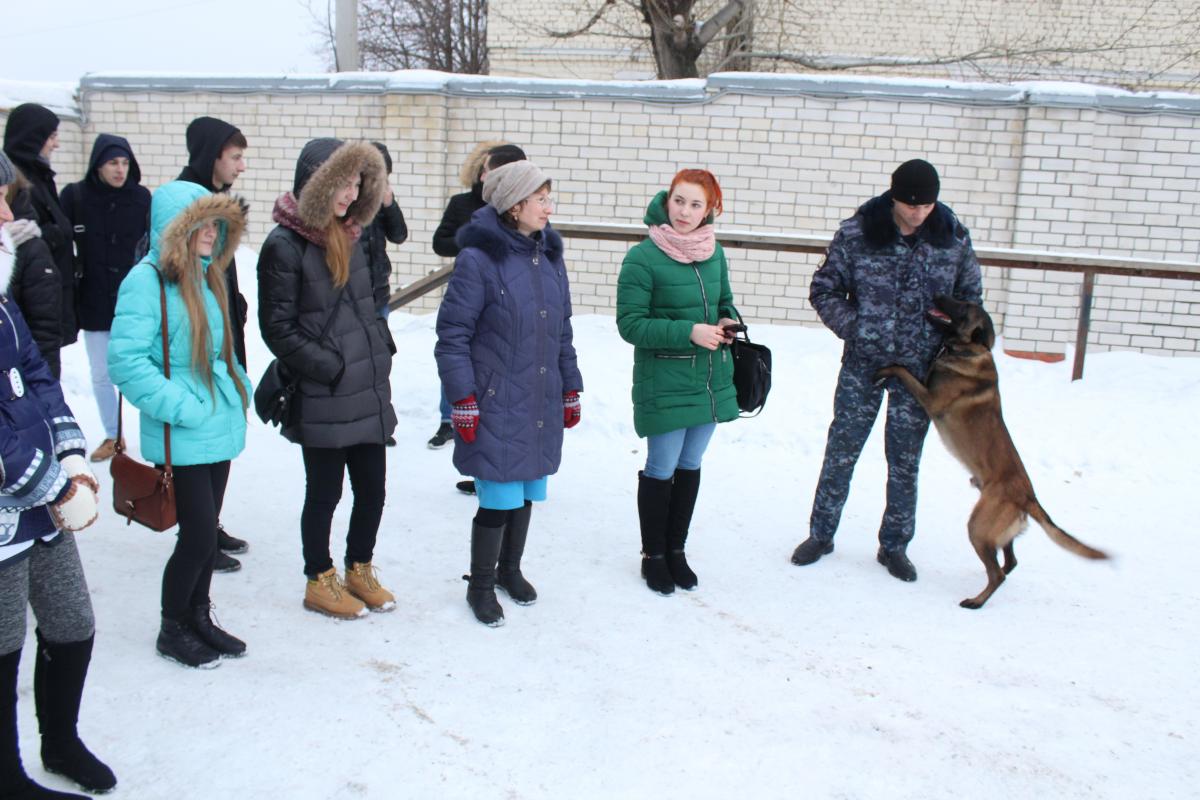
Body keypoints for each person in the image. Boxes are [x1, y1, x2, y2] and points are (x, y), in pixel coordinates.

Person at [791, 159, 983, 582]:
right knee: (842, 449)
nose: (917, 213)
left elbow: (970, 302)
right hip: (865, 363)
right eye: (909, 205)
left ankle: (894, 546)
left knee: (904, 459)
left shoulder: (952, 238)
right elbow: (824, 289)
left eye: (926, 205)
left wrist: (949, 343)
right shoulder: (858, 233)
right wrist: (856, 328)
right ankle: (820, 535)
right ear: (893, 196)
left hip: (919, 371)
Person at [0, 152, 116, 798]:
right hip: (10, 511)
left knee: (73, 625)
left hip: (42, 503)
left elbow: (38, 381)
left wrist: (71, 456)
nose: (8, 213)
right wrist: (55, 484)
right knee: (2, 645)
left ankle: (61, 740)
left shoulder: (2, 299)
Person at [108, 181, 252, 668]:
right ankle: (173, 627)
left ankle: (199, 616)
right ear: (179, 228)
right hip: (186, 425)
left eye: (217, 224)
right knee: (197, 539)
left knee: (205, 533)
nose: (212, 233)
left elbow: (214, 350)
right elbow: (126, 362)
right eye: (203, 223)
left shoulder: (206, 276)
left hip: (216, 422)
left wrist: (236, 383)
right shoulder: (145, 282)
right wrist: (184, 405)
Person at [435, 161, 583, 627]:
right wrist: (462, 398)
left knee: (526, 491)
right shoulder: (478, 261)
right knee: (497, 499)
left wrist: (570, 386)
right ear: (515, 205)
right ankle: (480, 585)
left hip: (538, 395)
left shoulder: (549, 257)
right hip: (496, 399)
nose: (548, 207)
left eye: (548, 197)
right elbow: (453, 335)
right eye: (540, 199)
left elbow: (562, 330)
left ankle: (509, 571)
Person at [257, 138, 398, 621]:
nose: (350, 192)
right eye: (341, 182)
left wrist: (380, 348)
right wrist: (332, 366)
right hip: (324, 390)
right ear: (315, 183)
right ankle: (319, 578)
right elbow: (277, 328)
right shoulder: (283, 244)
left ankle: (360, 566)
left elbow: (366, 305)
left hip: (367, 385)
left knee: (373, 488)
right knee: (325, 492)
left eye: (357, 181)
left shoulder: (353, 232)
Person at [616, 169, 740, 596]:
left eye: (696, 204)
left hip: (710, 378)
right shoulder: (643, 257)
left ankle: (676, 550)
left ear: (710, 210)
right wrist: (688, 330)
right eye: (679, 201)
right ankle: (653, 556)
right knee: (662, 468)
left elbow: (724, 300)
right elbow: (630, 324)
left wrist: (727, 320)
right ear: (667, 201)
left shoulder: (714, 252)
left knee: (690, 467)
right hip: (665, 380)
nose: (685, 212)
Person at [176, 115, 251, 571]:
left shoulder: (218, 199)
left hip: (225, 334)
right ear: (212, 156)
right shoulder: (188, 201)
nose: (241, 166)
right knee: (201, 446)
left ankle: (210, 526)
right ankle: (197, 534)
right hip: (199, 345)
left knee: (222, 438)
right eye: (235, 157)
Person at [429, 141, 526, 460]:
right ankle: (449, 418)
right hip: (468, 291)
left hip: (509, 298)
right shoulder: (463, 203)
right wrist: (472, 241)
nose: (487, 176)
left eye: (493, 171)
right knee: (457, 352)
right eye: (485, 170)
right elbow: (440, 243)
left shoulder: (522, 209)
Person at [60, 134, 152, 463]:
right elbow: (60, 244)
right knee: (100, 373)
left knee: (138, 370)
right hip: (93, 300)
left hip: (132, 303)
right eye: (113, 162)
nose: (120, 169)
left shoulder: (142, 198)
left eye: (125, 163)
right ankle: (114, 435)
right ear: (98, 164)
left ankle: (157, 434)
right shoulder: (76, 196)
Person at [2, 104, 78, 362]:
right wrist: (54, 234)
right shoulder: (17, 181)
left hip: (45, 296)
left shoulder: (42, 177)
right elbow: (19, 234)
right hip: (28, 305)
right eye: (52, 136)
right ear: (33, 136)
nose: (55, 144)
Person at [360, 142, 407, 446]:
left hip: (378, 296)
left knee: (380, 362)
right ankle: (360, 423)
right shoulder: (349, 202)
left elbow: (399, 235)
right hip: (353, 298)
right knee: (358, 363)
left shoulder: (382, 202)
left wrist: (389, 204)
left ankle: (381, 424)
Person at [3, 176, 62, 375]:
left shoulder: (30, 247)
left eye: (3, 197)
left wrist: (46, 387)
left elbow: (45, 328)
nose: (7, 215)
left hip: (19, 384)